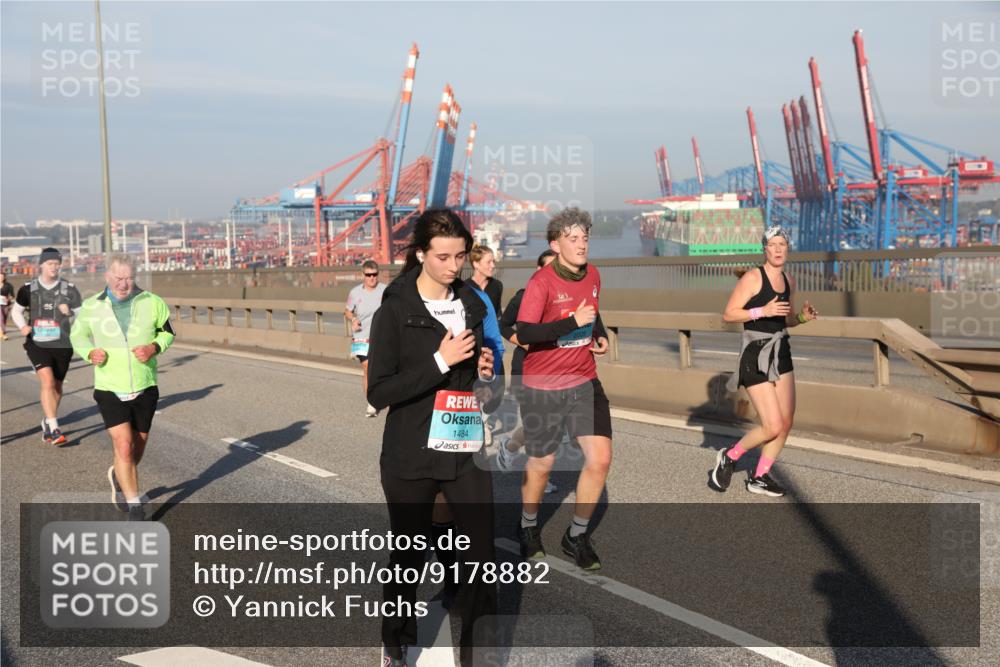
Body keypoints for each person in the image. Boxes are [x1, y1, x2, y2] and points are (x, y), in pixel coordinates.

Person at [367, 209, 503, 667]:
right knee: (410, 556)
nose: (454, 266)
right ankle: (395, 641)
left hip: (462, 446)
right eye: (443, 256)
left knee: (482, 558)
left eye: (461, 256)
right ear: (421, 254)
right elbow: (380, 390)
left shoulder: (472, 303)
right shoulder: (395, 310)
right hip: (410, 452)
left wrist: (483, 372)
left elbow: (482, 374)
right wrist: (441, 362)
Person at [514, 207, 612, 571]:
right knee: (542, 463)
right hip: (544, 384)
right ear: (555, 244)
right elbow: (524, 333)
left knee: (599, 459)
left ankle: (577, 536)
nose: (581, 243)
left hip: (584, 379)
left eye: (585, 237)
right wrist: (571, 322)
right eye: (573, 238)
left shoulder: (595, 275)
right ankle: (527, 527)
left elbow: (592, 312)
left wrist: (597, 334)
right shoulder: (542, 282)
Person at [713, 226, 818, 497]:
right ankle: (730, 456)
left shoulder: (789, 280)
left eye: (783, 244)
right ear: (765, 249)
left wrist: (803, 317)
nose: (779, 249)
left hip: (781, 350)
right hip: (755, 353)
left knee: (786, 421)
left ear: (787, 248)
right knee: (771, 425)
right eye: (773, 244)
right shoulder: (753, 278)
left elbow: (787, 319)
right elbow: (729, 314)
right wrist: (763, 310)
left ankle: (759, 477)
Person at [70, 254, 175, 521]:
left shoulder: (152, 302)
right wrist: (89, 352)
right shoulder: (92, 306)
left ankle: (119, 474)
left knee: (137, 448)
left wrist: (154, 347)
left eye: (128, 278)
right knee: (124, 446)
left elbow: (167, 332)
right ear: (107, 277)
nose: (123, 283)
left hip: (145, 385)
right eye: (118, 278)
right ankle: (135, 507)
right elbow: (78, 335)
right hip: (109, 386)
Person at [496, 249, 558, 494]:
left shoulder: (562, 299)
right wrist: (519, 340)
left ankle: (510, 447)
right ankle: (537, 476)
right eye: (548, 268)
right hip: (526, 367)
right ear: (538, 270)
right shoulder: (523, 297)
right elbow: (503, 324)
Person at [10, 248, 83, 445]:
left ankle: (48, 421)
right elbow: (16, 312)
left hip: (62, 344)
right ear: (41, 265)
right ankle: (54, 428)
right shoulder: (28, 288)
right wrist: (23, 326)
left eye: (57, 263)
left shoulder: (69, 288)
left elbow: (83, 316)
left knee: (57, 388)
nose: (54, 267)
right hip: (37, 342)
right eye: (50, 263)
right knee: (48, 382)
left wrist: (69, 313)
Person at [344, 259, 387, 417]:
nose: (371, 278)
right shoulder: (355, 293)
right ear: (363, 275)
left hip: (380, 336)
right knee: (367, 367)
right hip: (362, 335)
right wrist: (353, 319)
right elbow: (347, 311)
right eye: (368, 275)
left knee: (383, 369)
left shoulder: (385, 290)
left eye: (374, 275)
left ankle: (384, 394)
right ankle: (371, 402)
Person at [469, 242, 503, 315]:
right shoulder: (464, 288)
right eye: (489, 262)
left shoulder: (497, 285)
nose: (493, 265)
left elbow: (498, 314)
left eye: (493, 261)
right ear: (476, 264)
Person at [1, 272, 14, 340]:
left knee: (4, 318)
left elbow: (12, 295)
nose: (1, 278)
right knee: (1, 318)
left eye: (2, 277)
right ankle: (3, 333)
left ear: (4, 278)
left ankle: (2, 330)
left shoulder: (8, 285)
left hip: (6, 304)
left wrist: (8, 299)